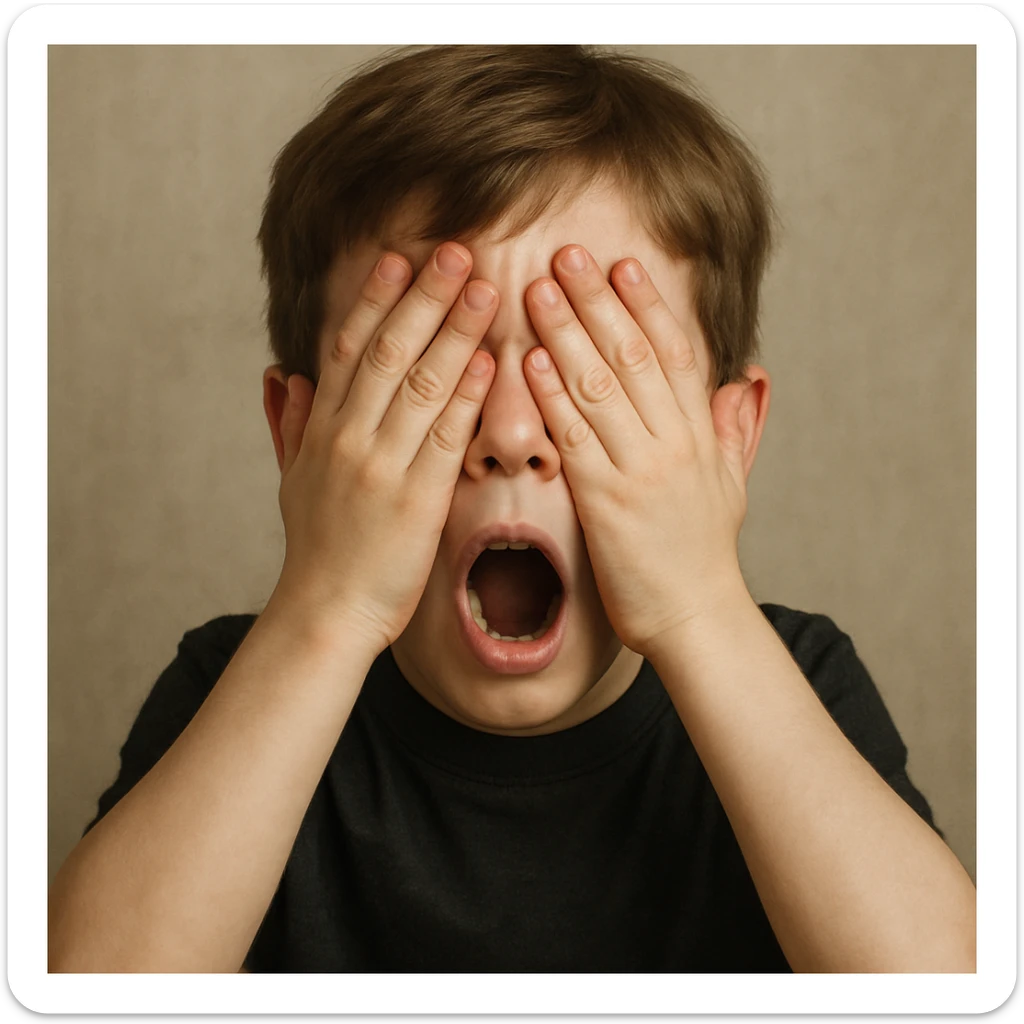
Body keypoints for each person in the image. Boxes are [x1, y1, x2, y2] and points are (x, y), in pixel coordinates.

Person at [47, 44, 976, 974]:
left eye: (595, 368)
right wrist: (328, 608)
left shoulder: (797, 682)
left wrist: (701, 610)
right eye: (429, 364)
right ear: (301, 438)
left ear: (725, 443)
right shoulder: (230, 690)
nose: (512, 434)